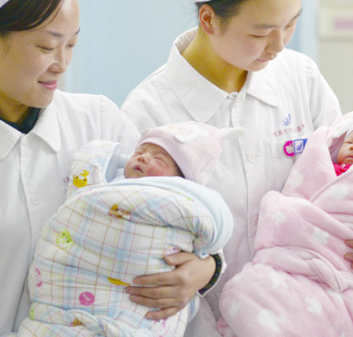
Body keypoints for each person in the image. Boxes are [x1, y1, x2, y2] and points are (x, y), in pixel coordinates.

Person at [121, 0, 353, 332]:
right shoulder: (149, 113)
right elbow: (134, 238)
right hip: (205, 322)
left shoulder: (299, 77)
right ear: (208, 20)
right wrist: (204, 270)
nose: (280, 45)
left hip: (308, 318)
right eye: (261, 32)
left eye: (291, 24)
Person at [0, 0, 212, 335]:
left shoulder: (100, 122)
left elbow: (178, 208)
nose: (62, 63)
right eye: (46, 46)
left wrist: (206, 268)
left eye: (71, 43)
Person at [18, 121, 239, 336]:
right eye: (140, 151)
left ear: (181, 179)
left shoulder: (185, 203)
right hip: (71, 290)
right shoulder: (106, 182)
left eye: (158, 158)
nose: (143, 157)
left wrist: (209, 264)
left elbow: (210, 241)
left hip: (134, 306)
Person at [217, 108, 353, 336]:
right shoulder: (324, 169)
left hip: (349, 278)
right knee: (250, 293)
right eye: (350, 141)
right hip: (294, 261)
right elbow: (300, 191)